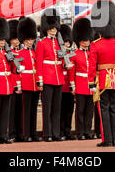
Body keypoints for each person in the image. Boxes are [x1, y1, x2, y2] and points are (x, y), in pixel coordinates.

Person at [89, 0, 115, 147]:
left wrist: (91, 82)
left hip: (102, 80)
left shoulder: (96, 44)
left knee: (103, 109)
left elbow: (92, 66)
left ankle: (107, 139)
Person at [36, 9, 66, 142]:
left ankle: (56, 133)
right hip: (47, 78)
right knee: (47, 108)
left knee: (57, 108)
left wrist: (65, 64)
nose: (54, 30)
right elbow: (39, 63)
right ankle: (47, 134)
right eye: (51, 28)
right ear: (47, 29)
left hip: (59, 78)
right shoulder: (42, 43)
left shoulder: (59, 43)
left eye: (55, 28)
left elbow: (62, 59)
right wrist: (40, 80)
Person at [70, 17, 95, 140]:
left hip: (91, 85)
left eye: (88, 39)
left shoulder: (92, 54)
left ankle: (87, 131)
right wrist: (73, 85)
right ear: (79, 41)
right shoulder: (74, 55)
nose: (87, 42)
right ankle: (80, 132)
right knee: (80, 110)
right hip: (80, 84)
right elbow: (72, 72)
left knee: (90, 111)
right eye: (84, 40)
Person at [17, 17, 41, 142]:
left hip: (34, 85)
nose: (30, 42)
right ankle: (26, 134)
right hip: (25, 84)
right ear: (23, 40)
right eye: (28, 40)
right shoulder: (19, 53)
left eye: (31, 39)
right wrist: (19, 85)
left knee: (33, 110)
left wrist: (39, 83)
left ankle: (33, 133)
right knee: (25, 111)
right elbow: (18, 72)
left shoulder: (34, 52)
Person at [7, 19, 24, 143]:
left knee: (21, 111)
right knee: (12, 111)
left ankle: (20, 133)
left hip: (23, 84)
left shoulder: (22, 51)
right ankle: (12, 133)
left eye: (18, 38)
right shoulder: (9, 53)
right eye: (14, 38)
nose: (16, 40)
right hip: (13, 83)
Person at [59, 24, 76, 141]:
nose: (67, 44)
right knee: (61, 110)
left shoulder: (72, 54)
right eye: (65, 42)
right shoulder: (58, 54)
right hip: (61, 85)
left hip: (69, 87)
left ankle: (68, 131)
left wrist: (73, 84)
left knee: (69, 110)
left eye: (68, 42)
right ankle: (60, 131)